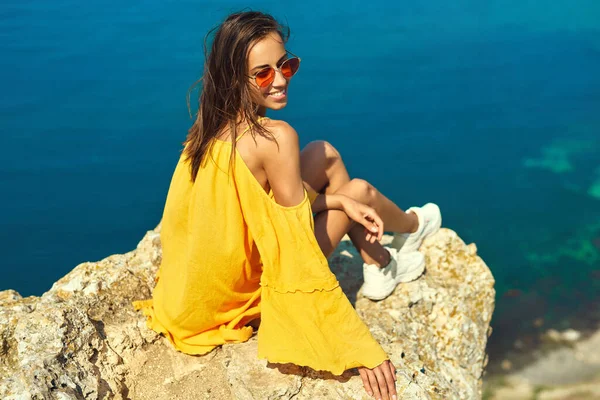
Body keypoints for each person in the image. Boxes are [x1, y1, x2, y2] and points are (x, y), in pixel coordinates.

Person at [134, 11, 441, 400]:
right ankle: (409, 231)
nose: (279, 80)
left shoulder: (207, 127)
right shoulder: (275, 137)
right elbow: (296, 252)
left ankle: (378, 257)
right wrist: (355, 343)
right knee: (360, 192)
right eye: (262, 73)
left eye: (286, 65)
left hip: (186, 301)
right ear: (235, 78)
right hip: (232, 300)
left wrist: (334, 200)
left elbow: (247, 204)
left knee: (325, 154)